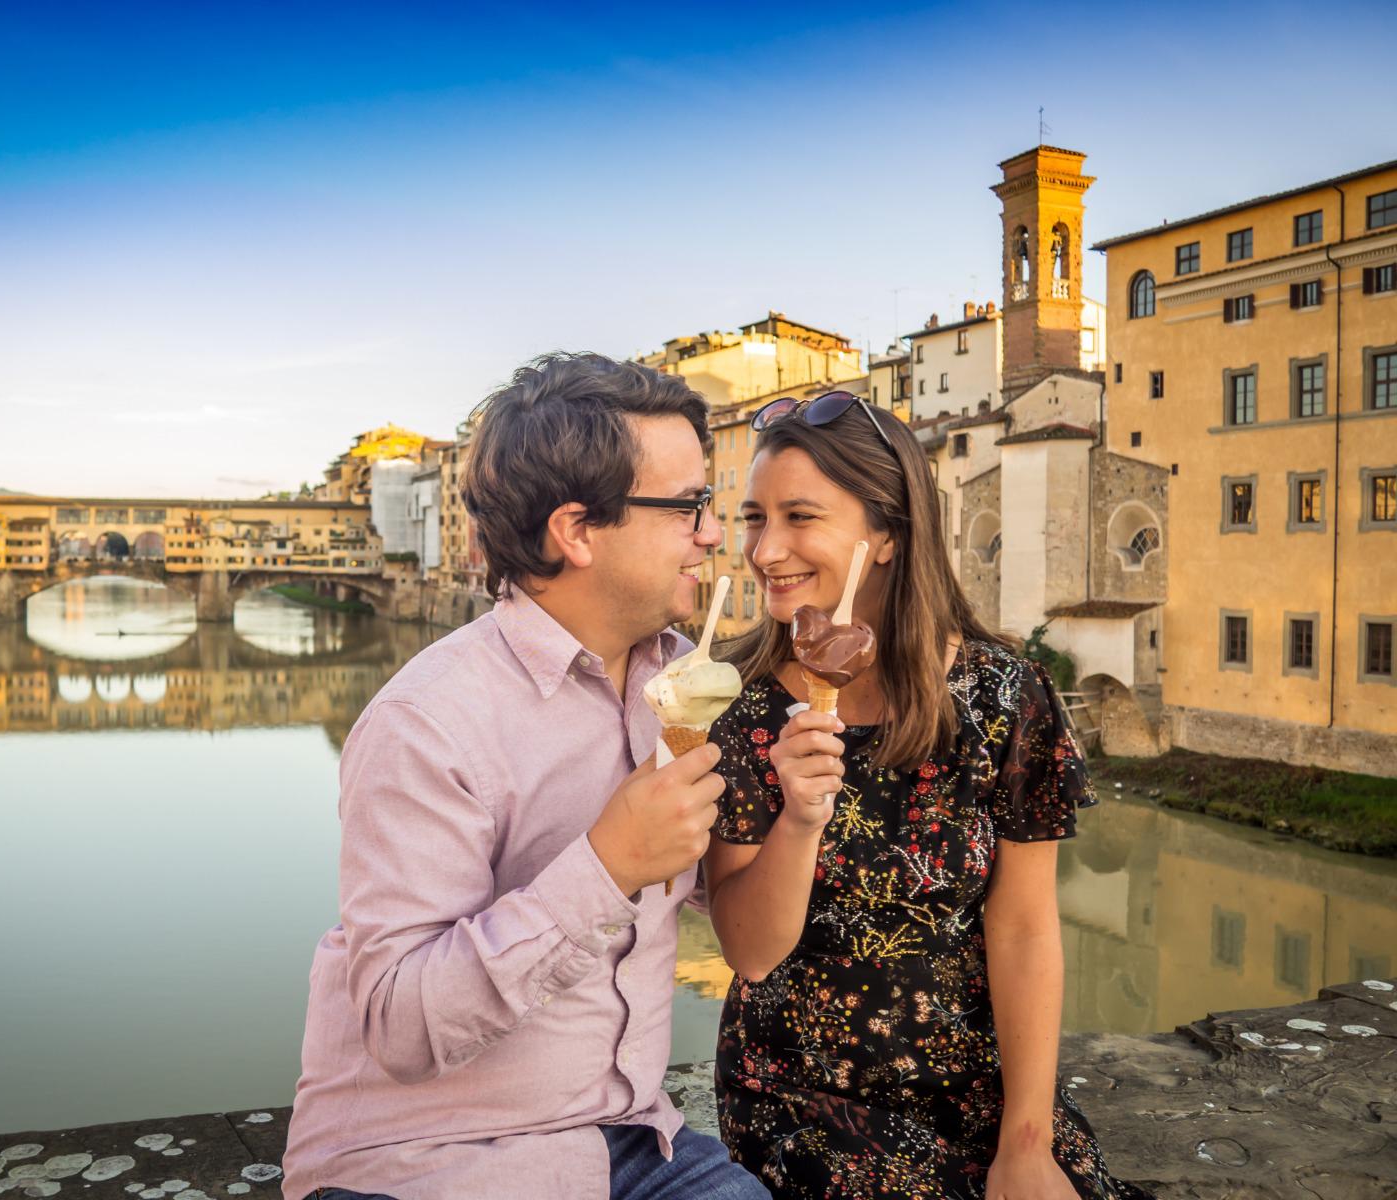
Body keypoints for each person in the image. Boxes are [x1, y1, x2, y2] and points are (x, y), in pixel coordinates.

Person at [282, 353, 769, 1200]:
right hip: (424, 1159)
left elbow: (727, 914)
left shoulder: (686, 687)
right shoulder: (426, 722)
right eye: (690, 506)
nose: (715, 533)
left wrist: (793, 809)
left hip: (629, 1136)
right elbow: (399, 1023)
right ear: (576, 531)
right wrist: (607, 864)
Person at [704, 391, 1153, 1199]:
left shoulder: (1003, 695)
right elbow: (750, 952)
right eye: (751, 518)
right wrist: (802, 817)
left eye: (799, 516)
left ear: (886, 533)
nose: (765, 550)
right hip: (801, 1095)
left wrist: (1026, 1139)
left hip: (977, 1086)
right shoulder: (733, 702)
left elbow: (1022, 926)